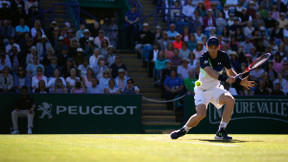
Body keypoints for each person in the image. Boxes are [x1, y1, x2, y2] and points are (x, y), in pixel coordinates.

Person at [170, 36, 254, 140]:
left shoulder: (223, 56)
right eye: (211, 47)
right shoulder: (203, 57)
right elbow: (211, 72)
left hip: (215, 89)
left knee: (230, 100)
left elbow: (230, 71)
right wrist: (225, 78)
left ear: (219, 47)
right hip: (202, 90)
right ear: (207, 47)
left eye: (215, 47)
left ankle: (221, 131)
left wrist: (240, 81)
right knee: (201, 114)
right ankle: (184, 130)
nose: (213, 50)